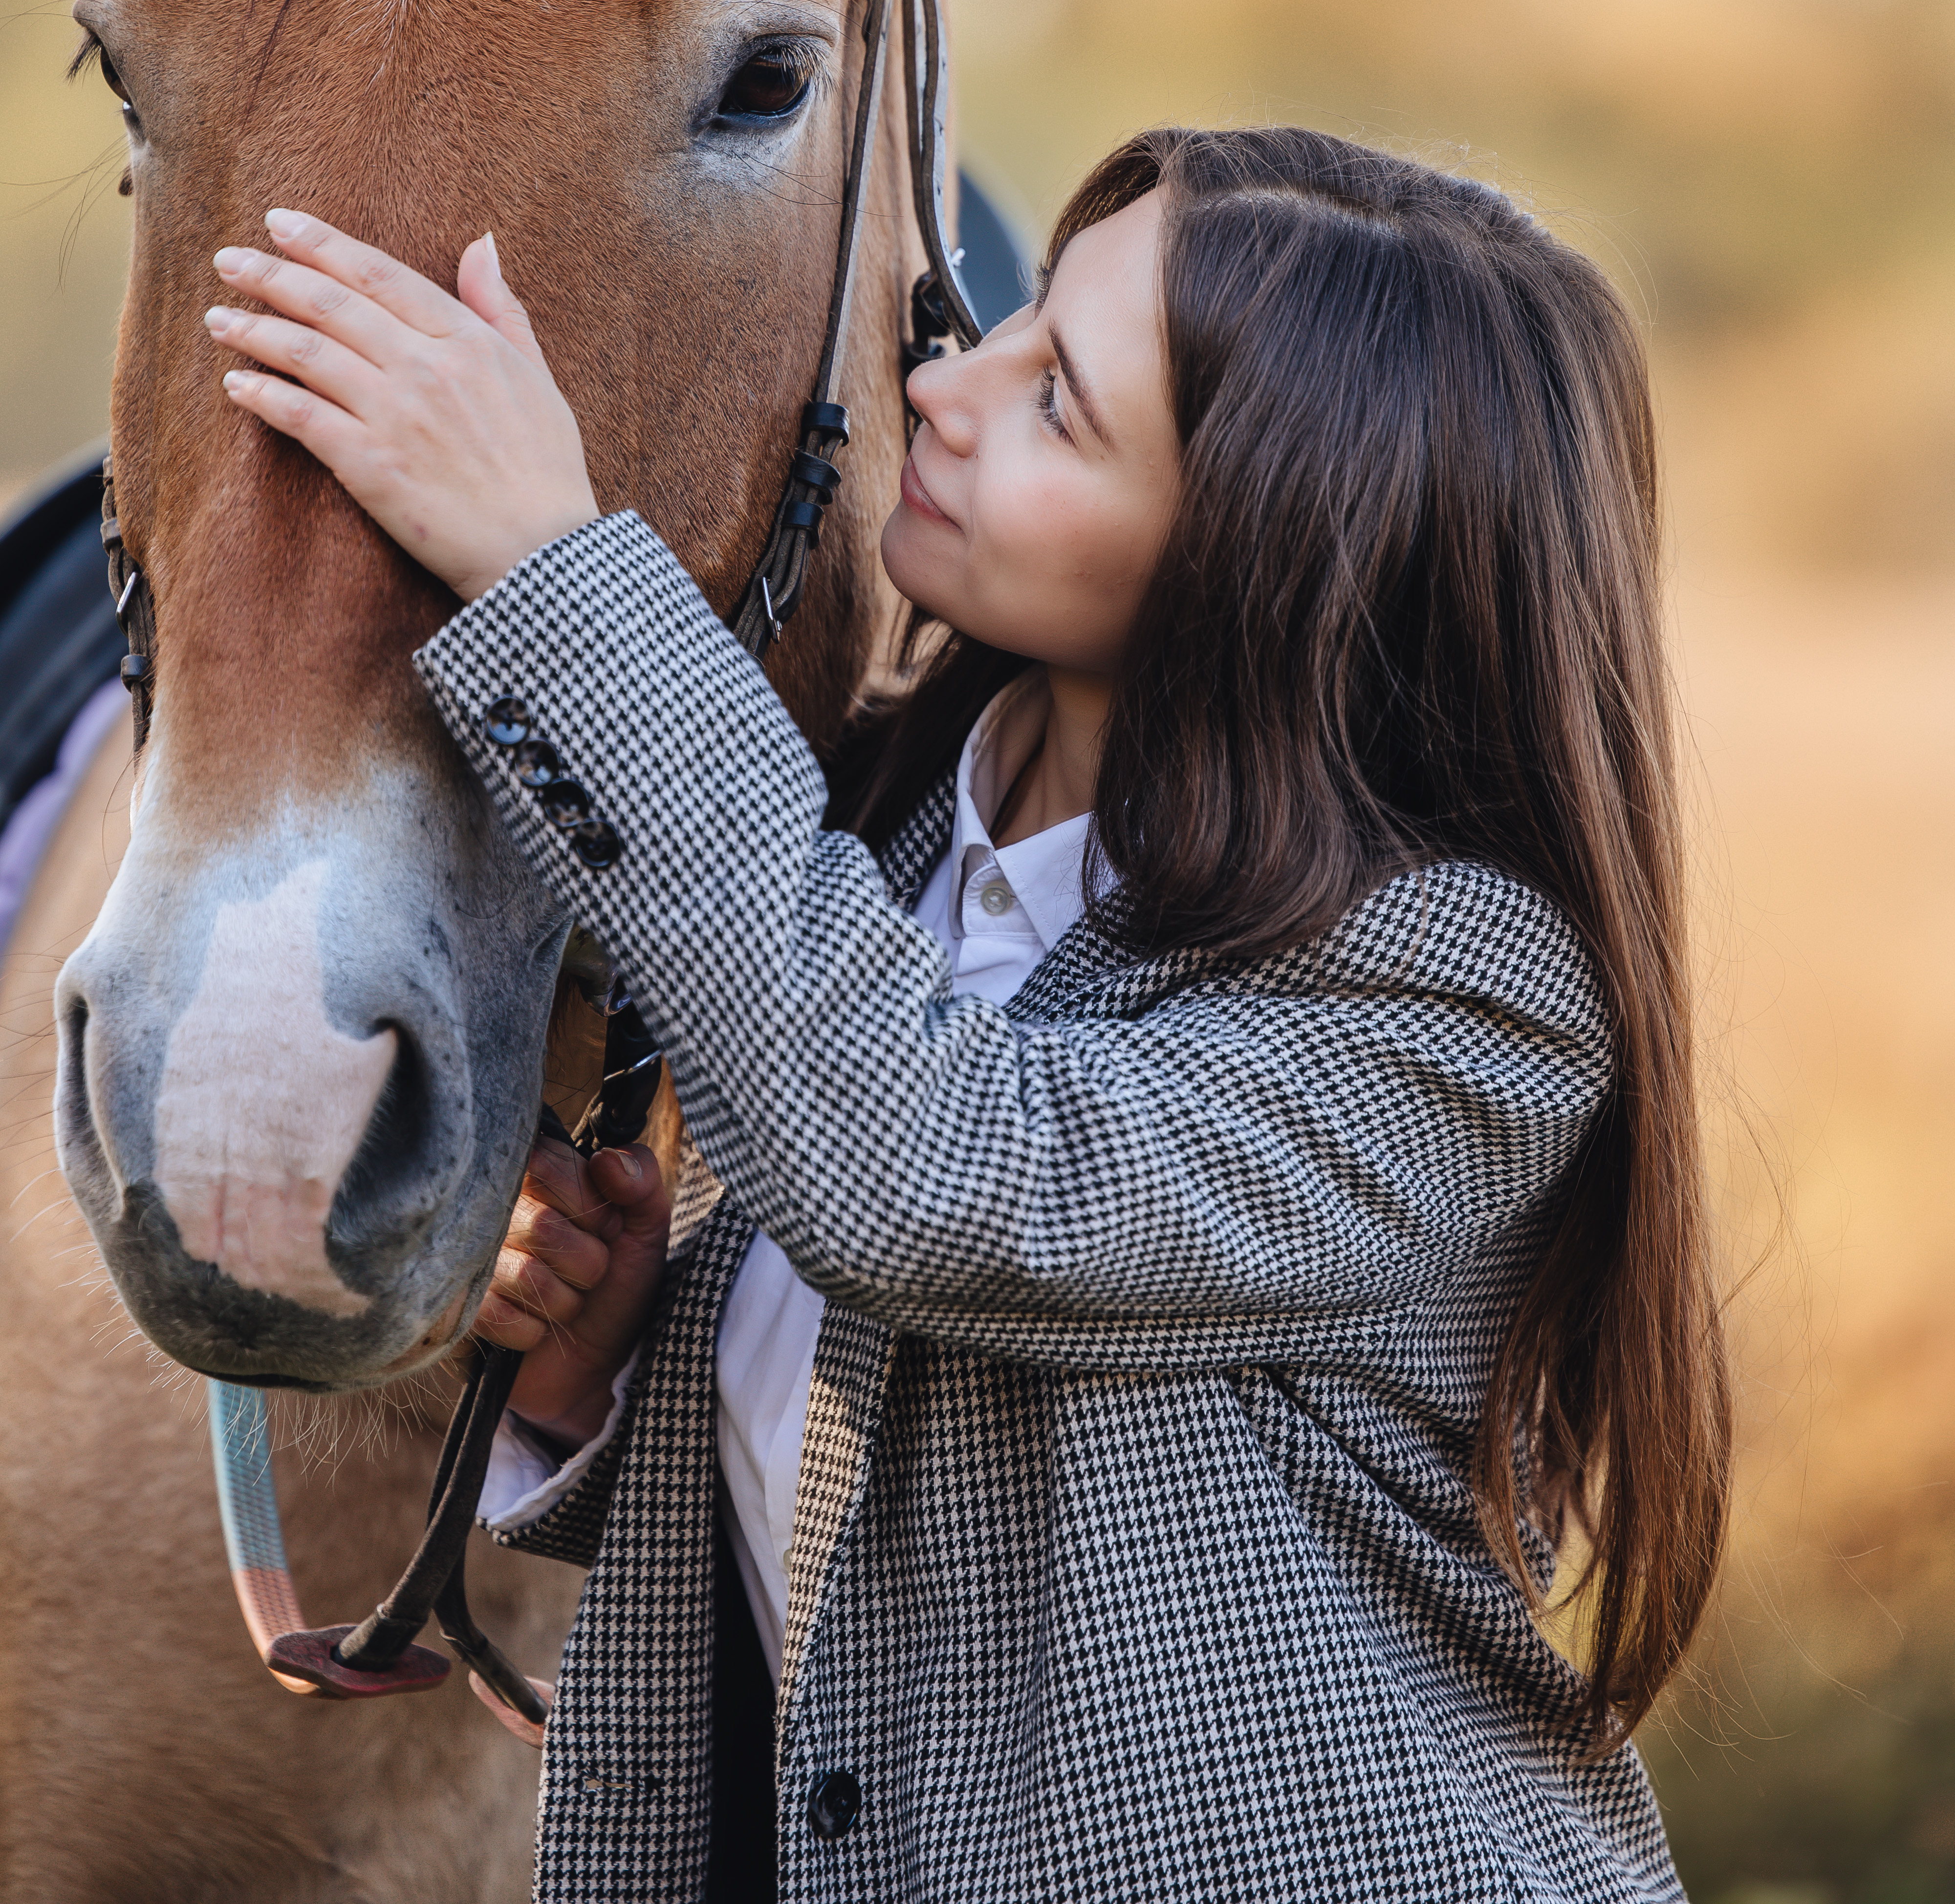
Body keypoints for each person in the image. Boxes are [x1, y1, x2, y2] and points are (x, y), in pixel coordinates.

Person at [206, 126, 1730, 1903]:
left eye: (1058, 405)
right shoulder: (891, 829)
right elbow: (913, 1544)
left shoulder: (1459, 993)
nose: (944, 383)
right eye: (1015, 326)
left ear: (1264, 565)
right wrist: (621, 1366)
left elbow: (947, 1175)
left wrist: (557, 564)